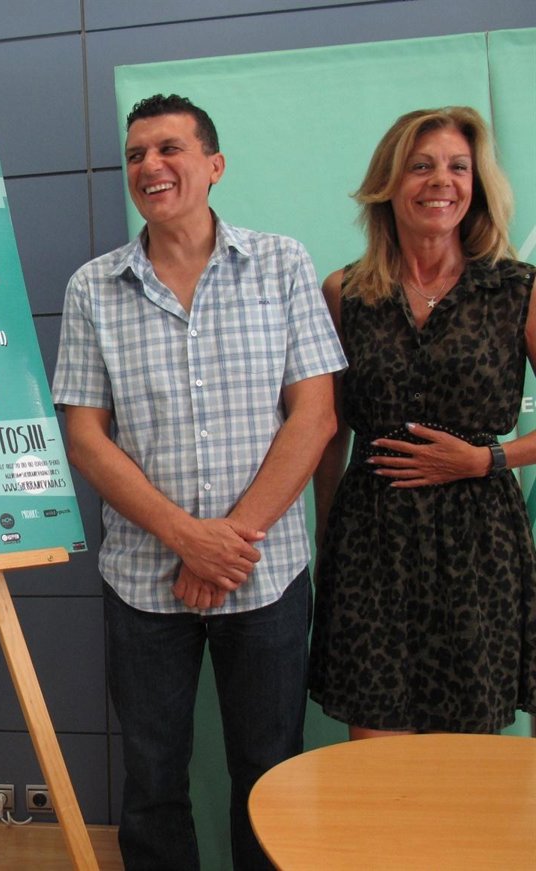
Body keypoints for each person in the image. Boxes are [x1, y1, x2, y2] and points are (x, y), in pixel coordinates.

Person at [53, 94, 345, 870]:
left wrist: (225, 546)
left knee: (270, 773)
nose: (150, 165)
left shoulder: (282, 264)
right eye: (136, 154)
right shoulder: (93, 287)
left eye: (169, 148)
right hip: (144, 584)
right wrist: (188, 538)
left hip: (264, 574)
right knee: (151, 781)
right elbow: (85, 437)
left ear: (214, 166)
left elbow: (314, 416)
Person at [309, 106, 536, 739]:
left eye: (458, 167)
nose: (442, 181)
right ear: (389, 183)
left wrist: (487, 458)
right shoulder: (346, 292)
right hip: (371, 542)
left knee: (465, 756)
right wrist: (328, 534)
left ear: (476, 185)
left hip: (478, 542)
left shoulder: (517, 290)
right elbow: (330, 429)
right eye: (421, 166)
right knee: (375, 751)